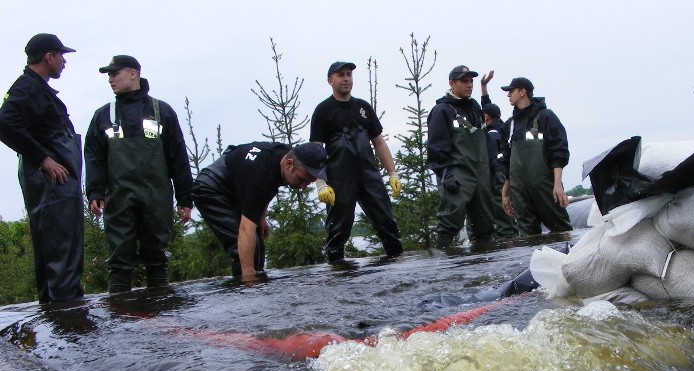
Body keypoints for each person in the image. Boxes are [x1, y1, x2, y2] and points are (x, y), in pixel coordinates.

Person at [84, 55, 193, 294]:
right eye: (109, 75)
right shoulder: (103, 115)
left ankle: (161, 315)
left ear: (133, 74)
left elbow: (178, 155)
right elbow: (94, 157)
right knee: (119, 257)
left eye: (115, 73)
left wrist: (185, 197)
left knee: (156, 256)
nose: (110, 79)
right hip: (119, 196)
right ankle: (119, 318)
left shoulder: (161, 111)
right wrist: (94, 191)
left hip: (156, 195)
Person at [0, 33, 84, 304]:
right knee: (62, 258)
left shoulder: (39, 89)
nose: (64, 62)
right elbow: (4, 122)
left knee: (57, 258)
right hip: (53, 188)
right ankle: (68, 326)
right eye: (61, 56)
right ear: (48, 57)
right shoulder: (28, 87)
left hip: (57, 188)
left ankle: (54, 323)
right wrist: (43, 159)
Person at [310, 61, 403, 263]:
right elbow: (316, 149)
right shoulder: (323, 110)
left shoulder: (363, 107)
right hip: (340, 180)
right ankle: (337, 277)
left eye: (349, 75)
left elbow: (378, 142)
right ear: (330, 80)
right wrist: (320, 183)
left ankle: (398, 272)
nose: (346, 79)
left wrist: (392, 173)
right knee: (338, 231)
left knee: (388, 225)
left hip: (369, 176)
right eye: (341, 75)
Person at [192, 142, 327, 281]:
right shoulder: (259, 175)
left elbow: (269, 187)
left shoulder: (285, 154)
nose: (304, 187)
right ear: (289, 164)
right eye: (302, 179)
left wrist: (261, 217)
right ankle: (246, 292)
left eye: (309, 182)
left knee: (257, 244)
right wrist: (249, 279)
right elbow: (245, 229)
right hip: (211, 189)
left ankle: (257, 282)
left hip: (237, 183)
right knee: (245, 248)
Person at [426, 65, 494, 249]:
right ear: (452, 83)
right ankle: (443, 265)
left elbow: (485, 139)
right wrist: (444, 173)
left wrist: (495, 169)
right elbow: (435, 147)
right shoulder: (442, 110)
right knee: (450, 220)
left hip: (480, 173)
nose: (469, 85)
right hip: (457, 173)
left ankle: (484, 266)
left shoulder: (474, 107)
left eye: (471, 81)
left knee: (484, 223)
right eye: (464, 81)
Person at [499, 77, 572, 236]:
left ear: (522, 91)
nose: (508, 95)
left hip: (545, 186)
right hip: (519, 191)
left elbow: (558, 151)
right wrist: (505, 193)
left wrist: (557, 184)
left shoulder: (546, 116)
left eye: (511, 91)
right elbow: (507, 161)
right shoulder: (509, 125)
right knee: (527, 234)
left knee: (561, 229)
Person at [480, 71, 518, 238]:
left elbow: (494, 157)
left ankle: (508, 242)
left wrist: (498, 176)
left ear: (486, 117)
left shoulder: (491, 134)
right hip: (506, 176)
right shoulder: (501, 126)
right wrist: (484, 87)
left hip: (498, 178)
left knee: (502, 215)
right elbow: (487, 107)